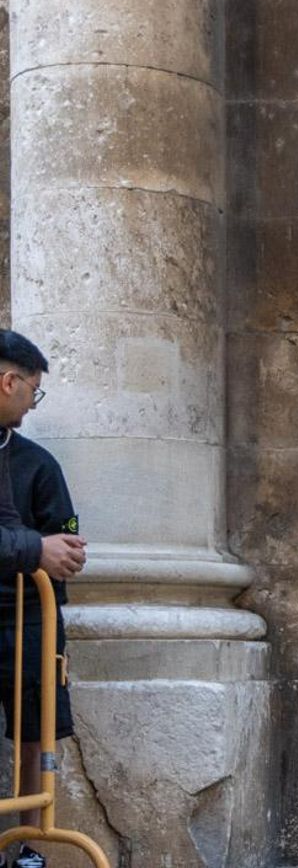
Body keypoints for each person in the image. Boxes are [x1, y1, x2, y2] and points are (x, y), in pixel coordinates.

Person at [0, 331, 87, 868]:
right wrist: (34, 549)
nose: (33, 404)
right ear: (9, 382)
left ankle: (26, 847)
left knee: (35, 733)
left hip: (29, 622)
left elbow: (68, 540)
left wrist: (60, 550)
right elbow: (42, 545)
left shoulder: (37, 463)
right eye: (33, 390)